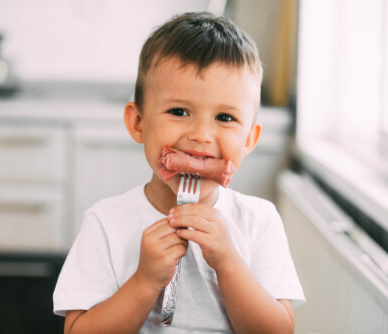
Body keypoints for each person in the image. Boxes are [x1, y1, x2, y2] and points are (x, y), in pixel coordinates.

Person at [53, 11, 305, 333]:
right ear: (138, 123)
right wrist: (144, 281)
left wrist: (228, 263)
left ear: (249, 140)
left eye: (225, 118)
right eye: (179, 111)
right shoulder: (105, 223)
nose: (201, 135)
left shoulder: (259, 221)